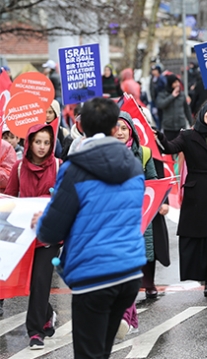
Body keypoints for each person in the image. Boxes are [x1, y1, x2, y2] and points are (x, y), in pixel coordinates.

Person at [35, 97, 146, 359]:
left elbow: (51, 231)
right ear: (112, 127)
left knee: (89, 354)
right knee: (101, 352)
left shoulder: (74, 168)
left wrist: (39, 221)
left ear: (81, 126)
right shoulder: (132, 163)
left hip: (94, 274)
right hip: (130, 270)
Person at [156, 101, 207, 299]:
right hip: (196, 194)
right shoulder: (188, 135)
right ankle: (206, 277)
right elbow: (169, 148)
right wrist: (158, 136)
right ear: (201, 113)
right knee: (199, 238)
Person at [5, 124, 60, 350]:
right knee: (29, 283)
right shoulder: (19, 167)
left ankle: (35, 333)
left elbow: (67, 200)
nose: (42, 147)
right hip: (23, 236)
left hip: (48, 237)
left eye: (47, 142)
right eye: (38, 142)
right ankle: (47, 314)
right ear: (29, 142)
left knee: (40, 280)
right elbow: (9, 198)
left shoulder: (58, 166)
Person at [112, 112, 157, 339]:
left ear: (131, 131)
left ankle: (124, 318)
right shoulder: (104, 155)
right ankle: (128, 318)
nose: (119, 132)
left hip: (137, 221)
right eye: (116, 128)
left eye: (124, 128)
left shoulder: (144, 153)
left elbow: (153, 184)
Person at [156, 74, 193, 141]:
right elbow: (161, 105)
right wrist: (172, 96)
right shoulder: (163, 94)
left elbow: (187, 109)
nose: (177, 84)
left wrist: (191, 123)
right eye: (175, 82)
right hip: (169, 127)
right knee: (170, 147)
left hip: (181, 126)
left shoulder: (182, 95)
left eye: (178, 82)